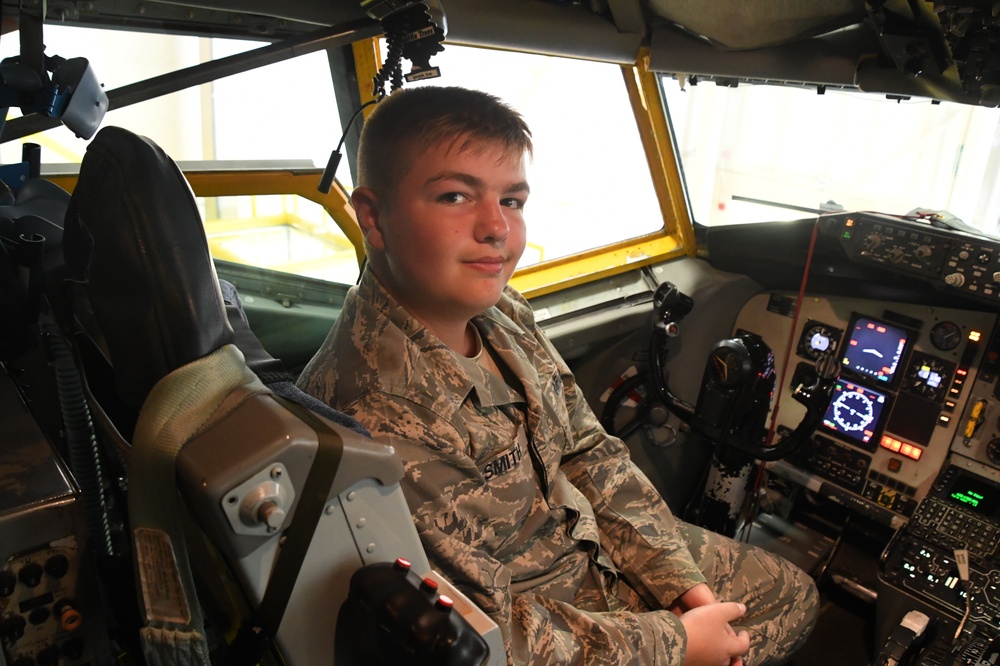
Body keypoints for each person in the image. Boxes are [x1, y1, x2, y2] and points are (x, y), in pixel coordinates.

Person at [297, 85, 818, 665]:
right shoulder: (379, 407)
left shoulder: (501, 312)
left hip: (586, 551)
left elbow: (588, 452)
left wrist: (680, 586)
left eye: (513, 200)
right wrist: (678, 645)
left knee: (791, 593)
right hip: (536, 624)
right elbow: (486, 633)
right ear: (373, 217)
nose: (496, 227)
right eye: (454, 196)